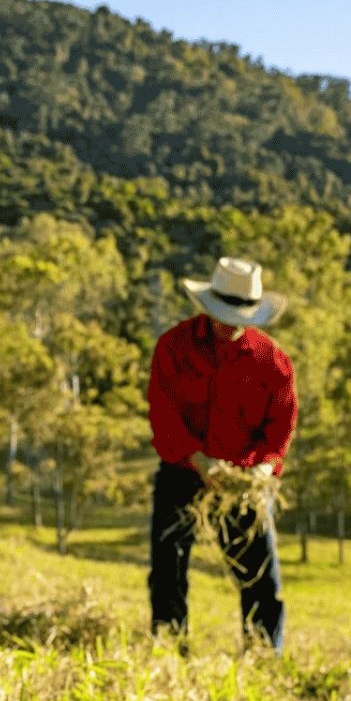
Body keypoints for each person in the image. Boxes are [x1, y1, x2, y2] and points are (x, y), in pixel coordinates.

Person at [146, 257, 297, 654]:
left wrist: (264, 467)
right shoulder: (174, 348)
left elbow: (280, 426)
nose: (229, 322)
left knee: (260, 574)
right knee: (168, 568)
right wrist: (198, 459)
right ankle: (168, 647)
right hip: (183, 471)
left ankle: (264, 653)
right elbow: (163, 415)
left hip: (243, 481)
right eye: (222, 314)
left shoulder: (272, 362)